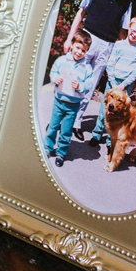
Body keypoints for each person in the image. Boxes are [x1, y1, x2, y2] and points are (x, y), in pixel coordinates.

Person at [64, 0, 133, 139]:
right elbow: (81, 12)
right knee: (75, 78)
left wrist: (122, 57)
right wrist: (70, 39)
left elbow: (122, 33)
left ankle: (76, 123)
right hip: (87, 39)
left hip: (107, 46)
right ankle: (65, 116)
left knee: (90, 85)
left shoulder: (127, 1)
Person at [90, 16, 136, 146]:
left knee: (118, 113)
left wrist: (123, 85)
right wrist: (112, 81)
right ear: (129, 27)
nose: (134, 35)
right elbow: (110, 63)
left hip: (125, 85)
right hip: (113, 82)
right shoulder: (119, 44)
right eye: (133, 31)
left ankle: (110, 139)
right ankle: (96, 133)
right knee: (104, 109)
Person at [44, 30, 94, 168]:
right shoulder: (61, 61)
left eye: (83, 50)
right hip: (59, 101)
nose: (79, 52)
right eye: (77, 48)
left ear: (87, 51)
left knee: (66, 131)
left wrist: (80, 86)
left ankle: (61, 153)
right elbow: (53, 72)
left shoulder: (87, 68)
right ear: (72, 45)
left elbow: (89, 84)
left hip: (73, 105)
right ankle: (47, 147)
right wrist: (55, 78)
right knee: (53, 127)